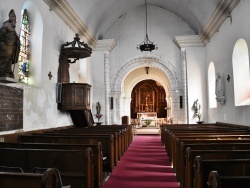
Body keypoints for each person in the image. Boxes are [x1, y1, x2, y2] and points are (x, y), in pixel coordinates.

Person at [0, 9, 20, 78]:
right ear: (12, 21)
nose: (15, 23)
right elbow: (1, 34)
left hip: (11, 47)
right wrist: (2, 43)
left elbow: (15, 37)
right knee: (4, 58)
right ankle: (2, 69)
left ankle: (8, 70)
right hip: (6, 46)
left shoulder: (13, 28)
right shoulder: (6, 25)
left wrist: (17, 41)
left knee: (10, 59)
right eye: (15, 22)